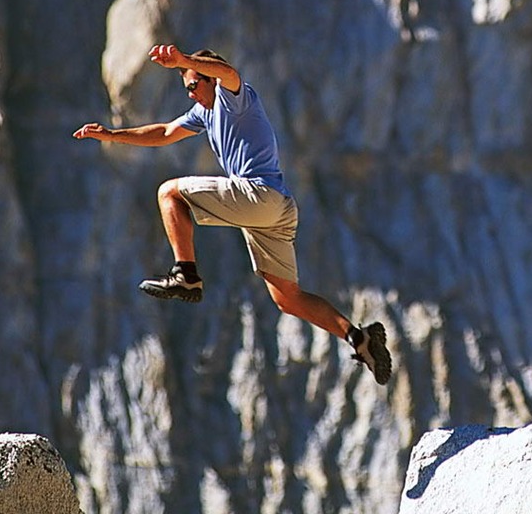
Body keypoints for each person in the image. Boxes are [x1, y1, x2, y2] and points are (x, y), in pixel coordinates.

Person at [73, 44, 393, 385]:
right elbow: (165, 132)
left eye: (195, 85)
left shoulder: (233, 97)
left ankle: (186, 275)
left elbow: (228, 72)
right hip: (274, 210)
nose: (192, 94)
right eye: (187, 89)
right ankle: (359, 339)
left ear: (210, 78)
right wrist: (111, 135)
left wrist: (182, 60)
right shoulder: (203, 114)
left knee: (168, 192)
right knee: (287, 298)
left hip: (259, 195)